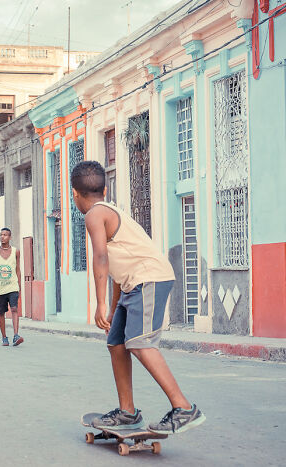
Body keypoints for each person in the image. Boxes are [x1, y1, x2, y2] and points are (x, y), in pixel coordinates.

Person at [71, 160, 205, 435]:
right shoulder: (108, 209)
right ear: (104, 190)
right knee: (117, 343)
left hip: (149, 279)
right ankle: (128, 412)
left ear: (75, 194)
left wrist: (100, 303)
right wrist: (114, 305)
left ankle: (184, 408)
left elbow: (101, 257)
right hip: (135, 282)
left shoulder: (94, 214)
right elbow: (121, 264)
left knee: (139, 343)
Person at [0, 227, 24, 346]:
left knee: (14, 309)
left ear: (10, 237)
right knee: (1, 312)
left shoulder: (16, 251)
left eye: (5, 235)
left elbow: (18, 270)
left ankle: (16, 335)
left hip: (13, 286)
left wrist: (19, 286)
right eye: (1, 235)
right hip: (0, 288)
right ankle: (4, 337)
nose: (2, 237)